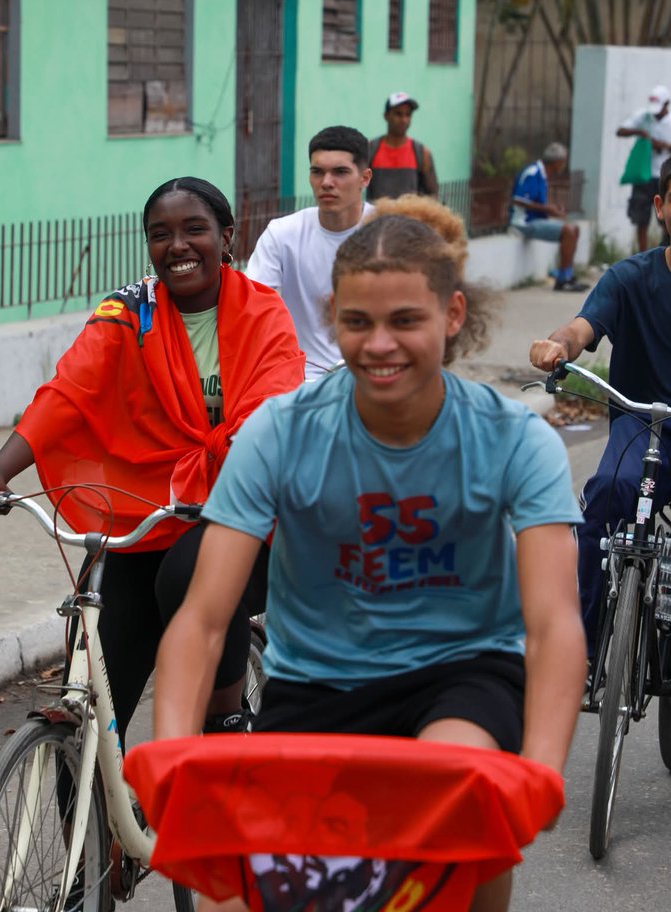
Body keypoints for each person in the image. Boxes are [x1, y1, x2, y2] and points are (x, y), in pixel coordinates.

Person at [154, 202, 586, 912]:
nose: (380, 344)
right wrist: (172, 754)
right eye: (357, 322)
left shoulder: (513, 439)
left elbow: (553, 623)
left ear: (451, 315)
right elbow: (203, 618)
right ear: (332, 318)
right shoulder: (280, 432)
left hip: (462, 675)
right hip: (316, 683)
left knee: (457, 795)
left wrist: (540, 770)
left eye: (405, 321)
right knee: (234, 898)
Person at [0, 177, 305, 743]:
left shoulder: (263, 312)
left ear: (227, 237)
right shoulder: (130, 312)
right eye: (160, 234)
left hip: (248, 508)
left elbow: (273, 409)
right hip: (152, 511)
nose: (178, 245)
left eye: (194, 229)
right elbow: (69, 392)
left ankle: (225, 718)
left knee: (191, 572)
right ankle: (85, 780)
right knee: (97, 653)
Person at [529, 154, 671, 663]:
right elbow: (582, 326)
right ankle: (582, 652)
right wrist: (558, 346)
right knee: (606, 496)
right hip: (640, 427)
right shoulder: (629, 278)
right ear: (661, 207)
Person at [246, 125, 373, 379]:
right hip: (302, 379)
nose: (326, 182)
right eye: (317, 172)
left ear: (365, 178)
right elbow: (253, 311)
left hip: (372, 374)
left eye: (340, 172)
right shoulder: (281, 234)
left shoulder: (388, 231)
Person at [509, 142, 588, 292]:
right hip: (524, 222)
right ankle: (562, 280)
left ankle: (567, 274)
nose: (563, 165)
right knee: (568, 231)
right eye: (563, 161)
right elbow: (518, 199)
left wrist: (553, 208)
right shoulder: (533, 172)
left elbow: (537, 201)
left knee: (574, 229)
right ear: (556, 161)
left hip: (536, 219)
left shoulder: (542, 174)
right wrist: (548, 209)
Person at [617, 83, 671, 252]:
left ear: (666, 104)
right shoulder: (644, 117)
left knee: (665, 220)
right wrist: (640, 133)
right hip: (644, 176)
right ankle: (643, 255)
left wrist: (663, 145)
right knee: (641, 219)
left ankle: (664, 252)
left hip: (665, 177)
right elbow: (620, 131)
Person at [366, 91, 439, 201]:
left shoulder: (422, 153)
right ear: (386, 116)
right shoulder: (370, 149)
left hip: (411, 212)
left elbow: (433, 194)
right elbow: (356, 185)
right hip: (378, 212)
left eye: (408, 115)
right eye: (398, 114)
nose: (404, 120)